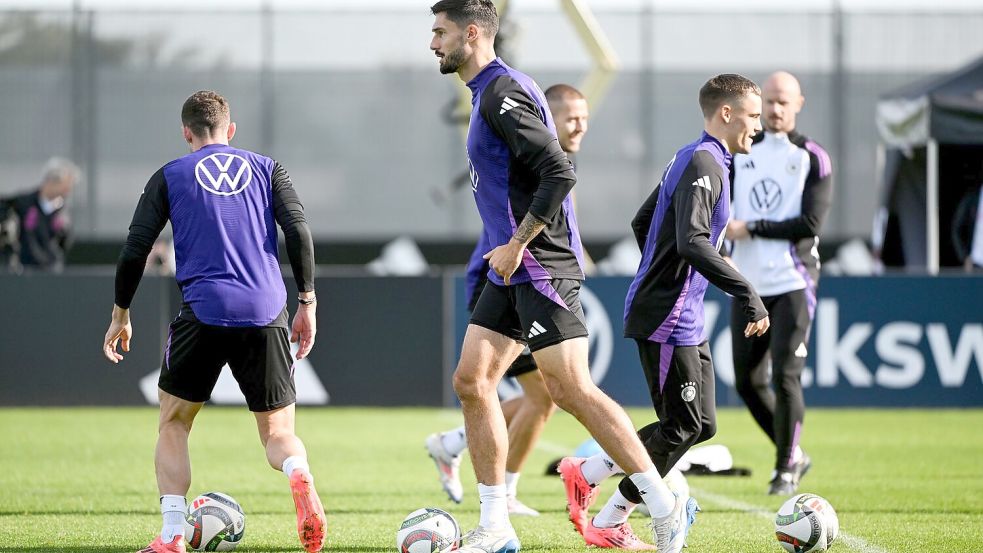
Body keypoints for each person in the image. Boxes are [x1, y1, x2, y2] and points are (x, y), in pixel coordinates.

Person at [430, 2, 692, 552]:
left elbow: (559, 170)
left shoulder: (503, 92)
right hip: (511, 272)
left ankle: (665, 506)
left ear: (471, 34)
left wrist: (517, 243)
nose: (432, 43)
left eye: (440, 32)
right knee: (472, 381)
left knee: (569, 389)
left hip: (539, 265)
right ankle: (497, 527)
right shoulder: (484, 94)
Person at [101, 91, 326, 553]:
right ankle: (298, 473)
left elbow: (134, 249)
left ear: (187, 133)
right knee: (279, 435)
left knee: (174, 423)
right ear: (231, 129)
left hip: (203, 310)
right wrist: (307, 300)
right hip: (265, 311)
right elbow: (299, 231)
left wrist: (121, 312)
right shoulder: (267, 168)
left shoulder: (171, 174)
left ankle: (171, 536)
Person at [560, 74, 771, 549]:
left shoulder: (700, 158)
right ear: (726, 113)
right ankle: (613, 517)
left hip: (683, 313)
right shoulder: (705, 162)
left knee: (702, 424)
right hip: (665, 316)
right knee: (682, 425)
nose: (758, 126)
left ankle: (589, 471)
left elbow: (646, 223)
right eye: (754, 116)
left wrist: (665, 267)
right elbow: (693, 240)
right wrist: (745, 292)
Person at [425, 84, 591, 517]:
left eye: (585, 117)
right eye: (570, 116)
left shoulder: (557, 163)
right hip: (500, 283)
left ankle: (455, 445)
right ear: (547, 118)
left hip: (524, 278)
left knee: (539, 394)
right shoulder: (533, 160)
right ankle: (503, 491)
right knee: (541, 396)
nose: (580, 125)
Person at [724, 71, 833, 495]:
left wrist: (750, 228)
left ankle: (785, 468)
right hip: (748, 284)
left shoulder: (812, 156)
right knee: (748, 382)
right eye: (768, 101)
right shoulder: (738, 151)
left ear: (798, 104)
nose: (774, 110)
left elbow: (810, 223)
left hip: (792, 281)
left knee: (786, 376)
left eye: (783, 102)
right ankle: (793, 451)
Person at [0, 157, 79, 272]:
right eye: (65, 185)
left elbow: (63, 244)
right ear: (51, 182)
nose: (67, 191)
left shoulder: (62, 212)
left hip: (51, 270)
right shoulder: (24, 202)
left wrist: (63, 231)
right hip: (24, 269)